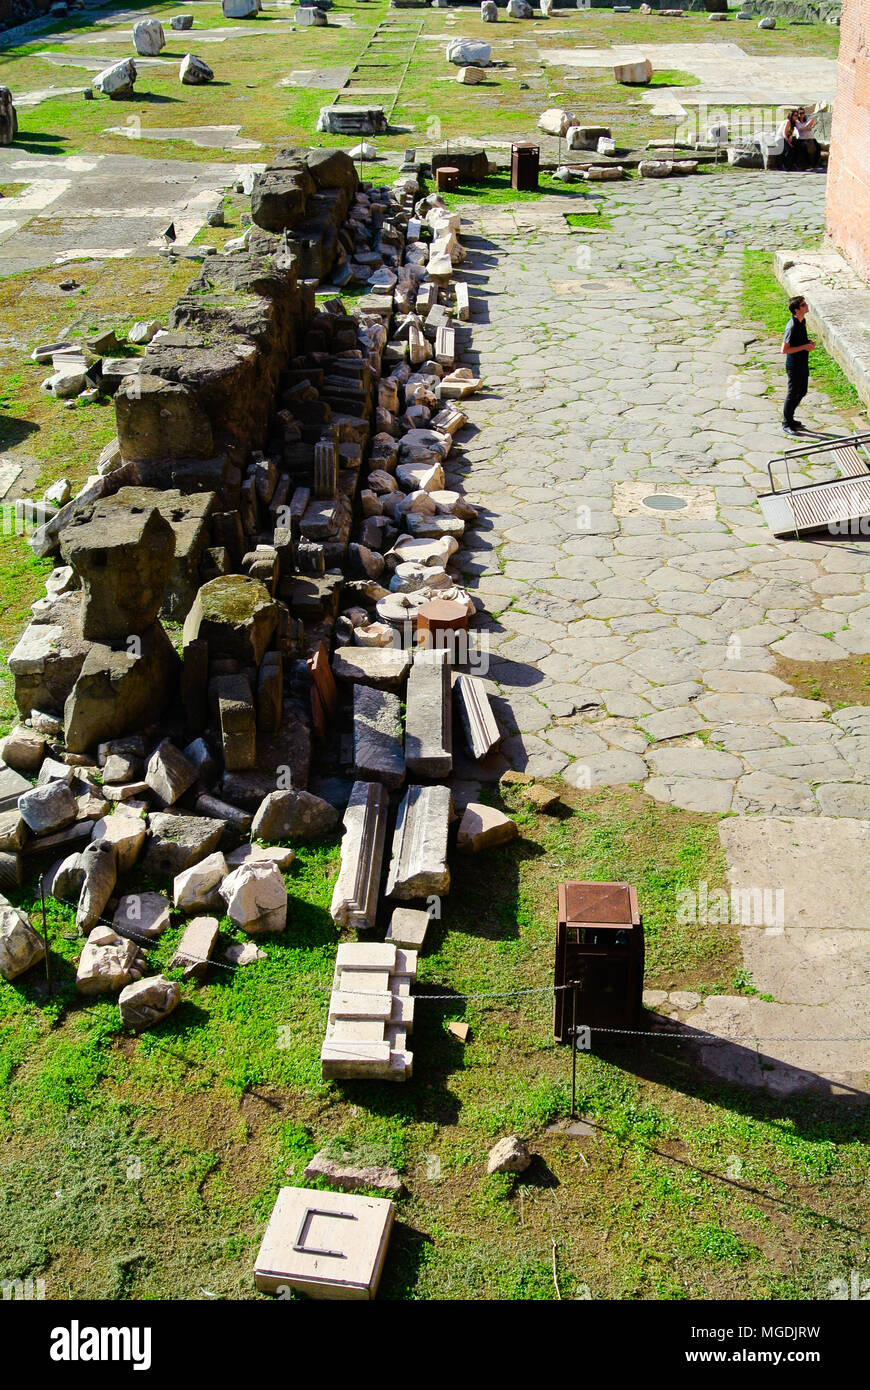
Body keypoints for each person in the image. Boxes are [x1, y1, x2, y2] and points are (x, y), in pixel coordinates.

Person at [781, 294, 816, 436]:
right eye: (803, 305)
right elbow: (784, 350)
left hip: (802, 362)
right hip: (794, 365)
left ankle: (791, 419)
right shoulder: (792, 326)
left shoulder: (802, 321)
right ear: (796, 310)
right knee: (792, 393)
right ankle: (786, 423)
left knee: (802, 391)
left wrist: (808, 343)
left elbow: (800, 341)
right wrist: (804, 347)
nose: (806, 306)